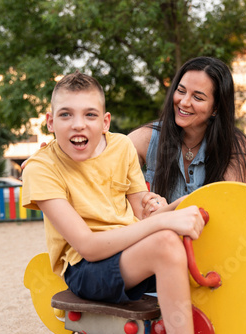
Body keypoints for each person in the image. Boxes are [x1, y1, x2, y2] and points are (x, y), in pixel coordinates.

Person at [21, 71, 206, 334]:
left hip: (130, 251)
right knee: (165, 242)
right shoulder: (41, 169)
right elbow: (89, 247)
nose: (78, 124)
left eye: (90, 114)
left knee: (198, 219)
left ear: (105, 121)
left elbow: (143, 216)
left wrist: (171, 206)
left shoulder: (121, 147)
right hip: (85, 269)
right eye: (65, 114)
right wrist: (165, 221)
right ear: (50, 122)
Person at [129, 56, 246, 206]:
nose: (184, 102)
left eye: (197, 97)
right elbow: (108, 165)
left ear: (215, 108)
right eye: (181, 91)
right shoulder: (148, 137)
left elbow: (227, 209)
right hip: (160, 229)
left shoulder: (233, 146)